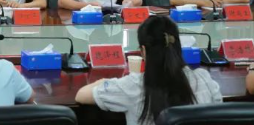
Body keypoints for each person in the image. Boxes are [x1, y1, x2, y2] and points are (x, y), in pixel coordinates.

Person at [76, 15, 221, 125]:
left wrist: (104, 81)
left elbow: (81, 95)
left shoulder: (133, 85)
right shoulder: (203, 78)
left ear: (143, 50)